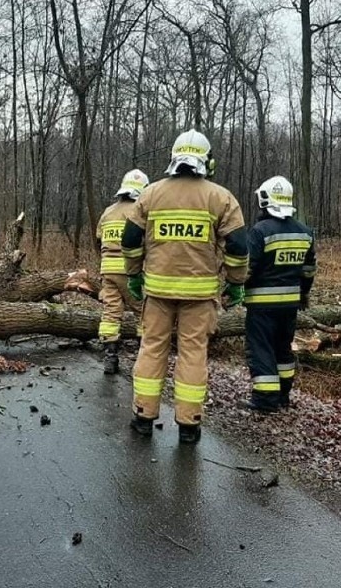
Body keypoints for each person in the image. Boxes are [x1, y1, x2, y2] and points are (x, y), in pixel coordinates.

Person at [121, 130, 248, 444]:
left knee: (152, 348)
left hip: (158, 292)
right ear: (207, 160)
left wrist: (134, 275)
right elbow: (238, 246)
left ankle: (143, 416)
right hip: (200, 295)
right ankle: (189, 425)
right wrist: (235, 283)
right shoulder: (221, 197)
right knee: (193, 354)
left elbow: (130, 240)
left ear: (173, 157)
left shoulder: (150, 194)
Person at [242, 176, 316, 412]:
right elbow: (308, 270)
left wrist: (234, 289)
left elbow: (248, 268)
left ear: (265, 199)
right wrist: (303, 294)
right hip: (290, 304)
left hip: (261, 304)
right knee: (283, 348)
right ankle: (283, 394)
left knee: (261, 348)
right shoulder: (305, 232)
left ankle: (265, 399)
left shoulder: (260, 231)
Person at [96, 169, 150, 375]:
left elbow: (99, 241)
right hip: (131, 270)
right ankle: (142, 359)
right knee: (144, 313)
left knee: (110, 314)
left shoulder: (107, 212)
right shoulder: (139, 211)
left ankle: (110, 359)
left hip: (108, 270)